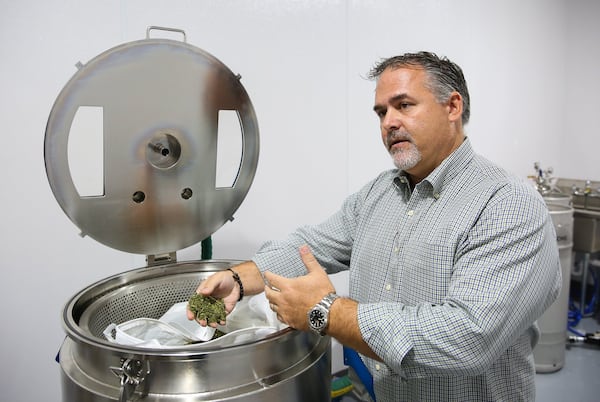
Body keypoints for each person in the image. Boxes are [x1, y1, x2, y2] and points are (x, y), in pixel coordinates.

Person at [188, 51, 561, 401]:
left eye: (404, 105)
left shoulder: (507, 204)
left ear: (452, 106)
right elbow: (311, 246)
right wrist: (239, 278)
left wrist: (328, 313)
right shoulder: (381, 192)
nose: (389, 123)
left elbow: (466, 337)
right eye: (381, 112)